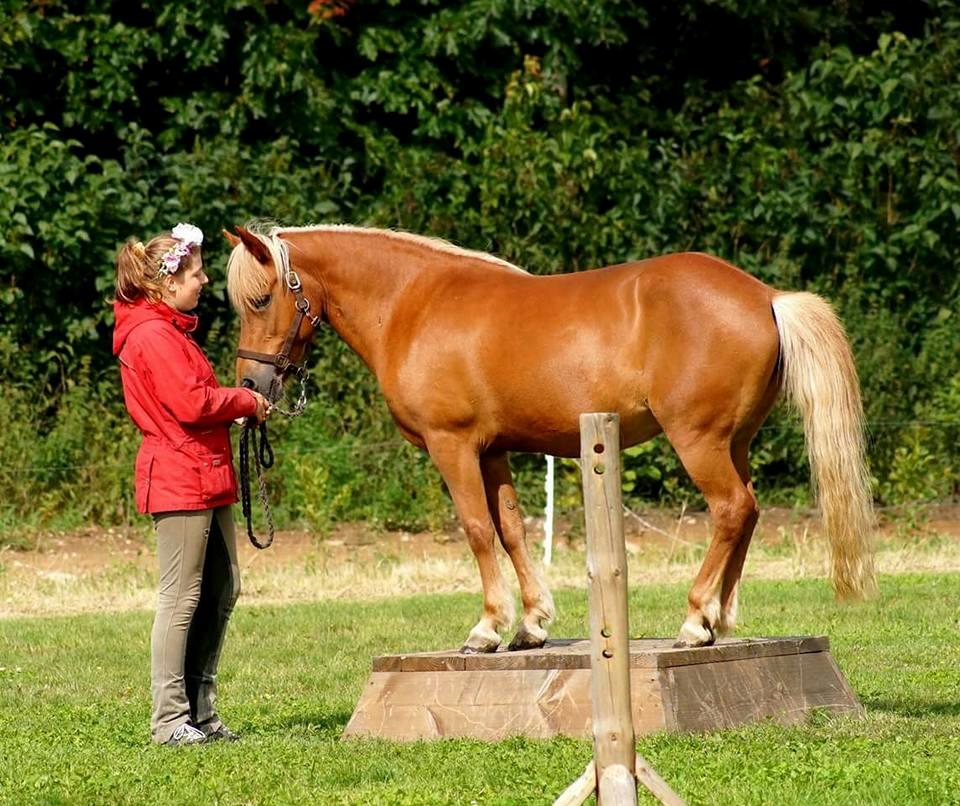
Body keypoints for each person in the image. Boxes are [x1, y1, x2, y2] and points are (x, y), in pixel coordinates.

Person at [112, 222, 270, 746]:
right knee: (180, 599)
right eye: (197, 273)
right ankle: (169, 720)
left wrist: (235, 406)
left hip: (203, 470)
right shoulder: (154, 336)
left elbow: (198, 402)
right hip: (180, 474)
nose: (203, 281)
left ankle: (200, 713)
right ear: (166, 283)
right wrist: (244, 401)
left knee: (222, 589)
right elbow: (191, 404)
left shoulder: (170, 332)